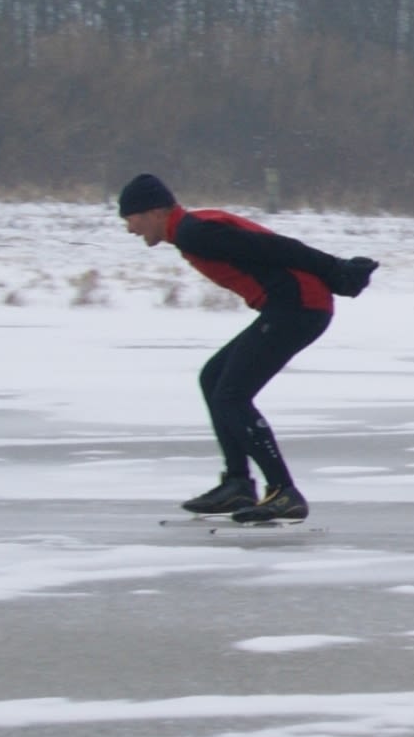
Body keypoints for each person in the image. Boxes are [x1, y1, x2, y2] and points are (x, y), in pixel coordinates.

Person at [116, 173, 378, 523]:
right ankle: (238, 483)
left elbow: (276, 247)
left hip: (299, 307)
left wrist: (335, 269)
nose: (130, 229)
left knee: (231, 395)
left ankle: (283, 491)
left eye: (129, 218)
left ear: (153, 212)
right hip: (293, 306)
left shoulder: (196, 232)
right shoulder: (192, 230)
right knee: (214, 379)